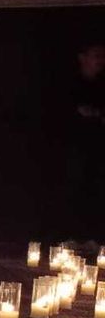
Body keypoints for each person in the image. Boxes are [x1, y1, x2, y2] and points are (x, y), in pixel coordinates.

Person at [64, 42, 105, 245]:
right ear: (83, 58)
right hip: (73, 149)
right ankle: (72, 236)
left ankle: (94, 238)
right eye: (95, 55)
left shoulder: (102, 87)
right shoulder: (70, 85)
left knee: (96, 190)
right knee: (74, 189)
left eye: (102, 56)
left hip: (98, 150)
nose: (100, 60)